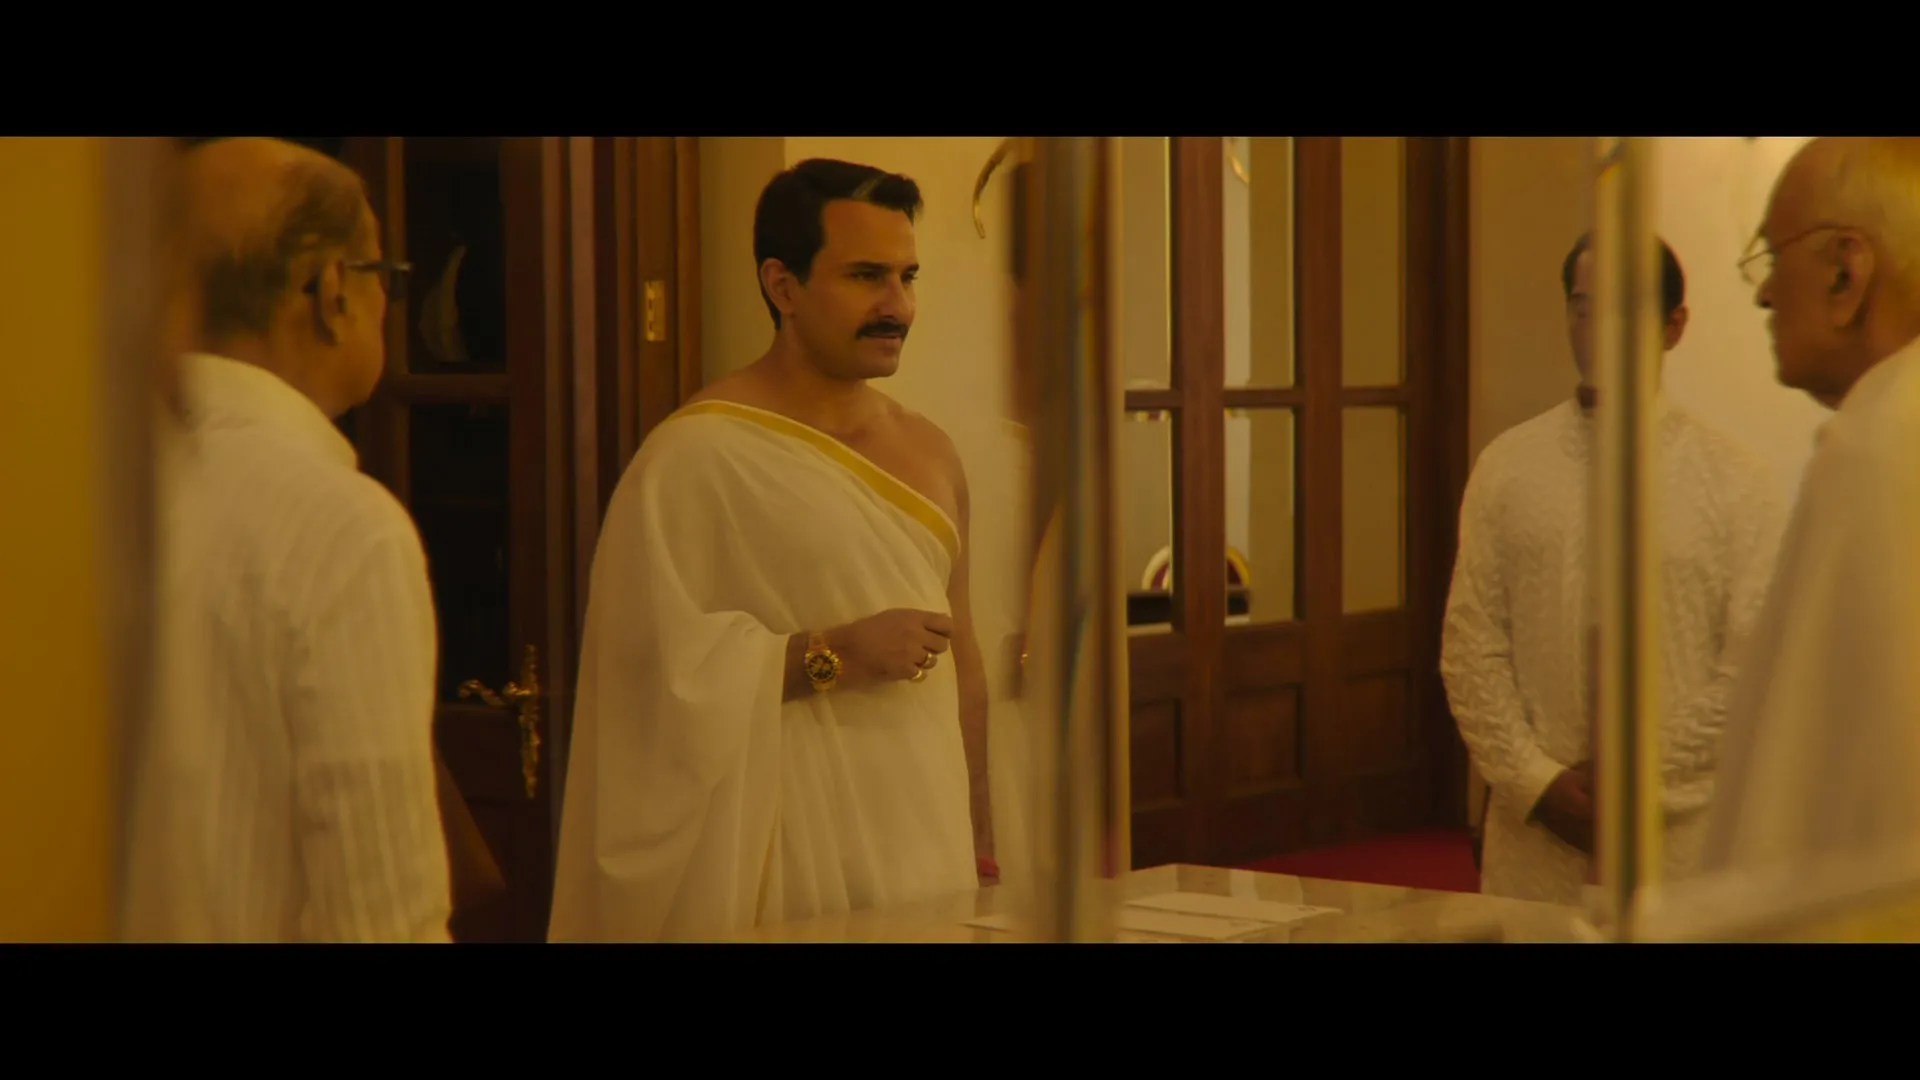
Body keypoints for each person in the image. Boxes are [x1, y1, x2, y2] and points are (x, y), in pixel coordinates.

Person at [548, 159, 993, 941]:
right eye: (866, 276)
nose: (897, 306)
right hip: (782, 861)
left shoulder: (932, 452)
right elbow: (641, 685)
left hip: (926, 846)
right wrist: (833, 655)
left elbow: (966, 671)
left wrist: (983, 843)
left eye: (907, 277)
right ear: (782, 286)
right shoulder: (695, 457)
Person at [122, 137, 453, 942]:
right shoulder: (344, 532)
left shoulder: (83, 493)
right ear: (332, 291)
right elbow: (382, 920)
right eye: (385, 276)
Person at [1441, 232, 1786, 906]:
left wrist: (1635, 774)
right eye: (1582, 308)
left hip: (1678, 838)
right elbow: (1470, 646)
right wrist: (1537, 781)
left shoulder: (1735, 482)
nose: (1597, 328)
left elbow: (1752, 667)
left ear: (1673, 326)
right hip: (1535, 838)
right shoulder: (1508, 467)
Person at [1700, 137, 1920, 878]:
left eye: (1772, 254)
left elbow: (1822, 815)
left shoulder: (1885, 443)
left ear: (1845, 272)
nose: (1762, 293)